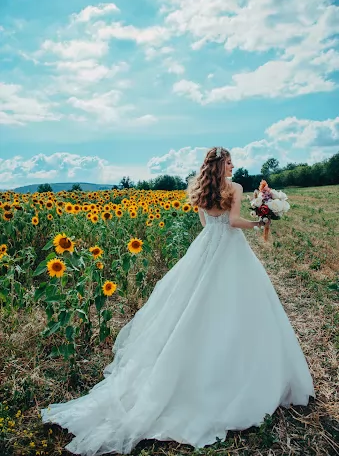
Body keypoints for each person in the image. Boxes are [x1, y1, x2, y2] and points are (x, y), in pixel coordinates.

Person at [41, 146, 315, 455]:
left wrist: (223, 226)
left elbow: (205, 224)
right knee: (237, 309)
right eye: (229, 162)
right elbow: (235, 221)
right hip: (230, 250)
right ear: (220, 165)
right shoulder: (235, 188)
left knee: (190, 308)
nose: (233, 166)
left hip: (206, 247)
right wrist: (259, 223)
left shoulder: (200, 189)